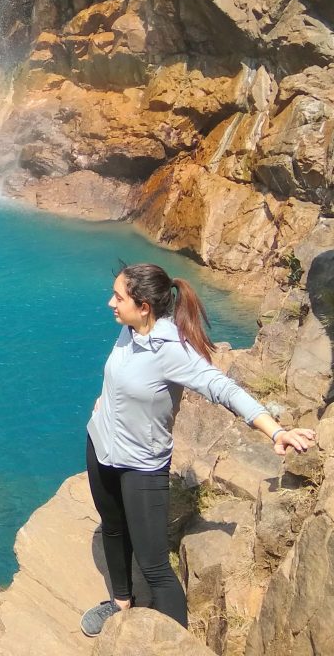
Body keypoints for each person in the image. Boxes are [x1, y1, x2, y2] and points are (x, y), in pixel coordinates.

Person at [80, 262, 317, 638]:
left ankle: (176, 645)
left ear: (144, 306)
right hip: (101, 447)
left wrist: (276, 432)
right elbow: (124, 378)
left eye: (118, 297)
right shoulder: (128, 329)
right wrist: (105, 401)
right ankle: (121, 602)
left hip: (141, 467)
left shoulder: (173, 350)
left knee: (155, 565)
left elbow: (224, 389)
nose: (111, 303)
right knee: (112, 527)